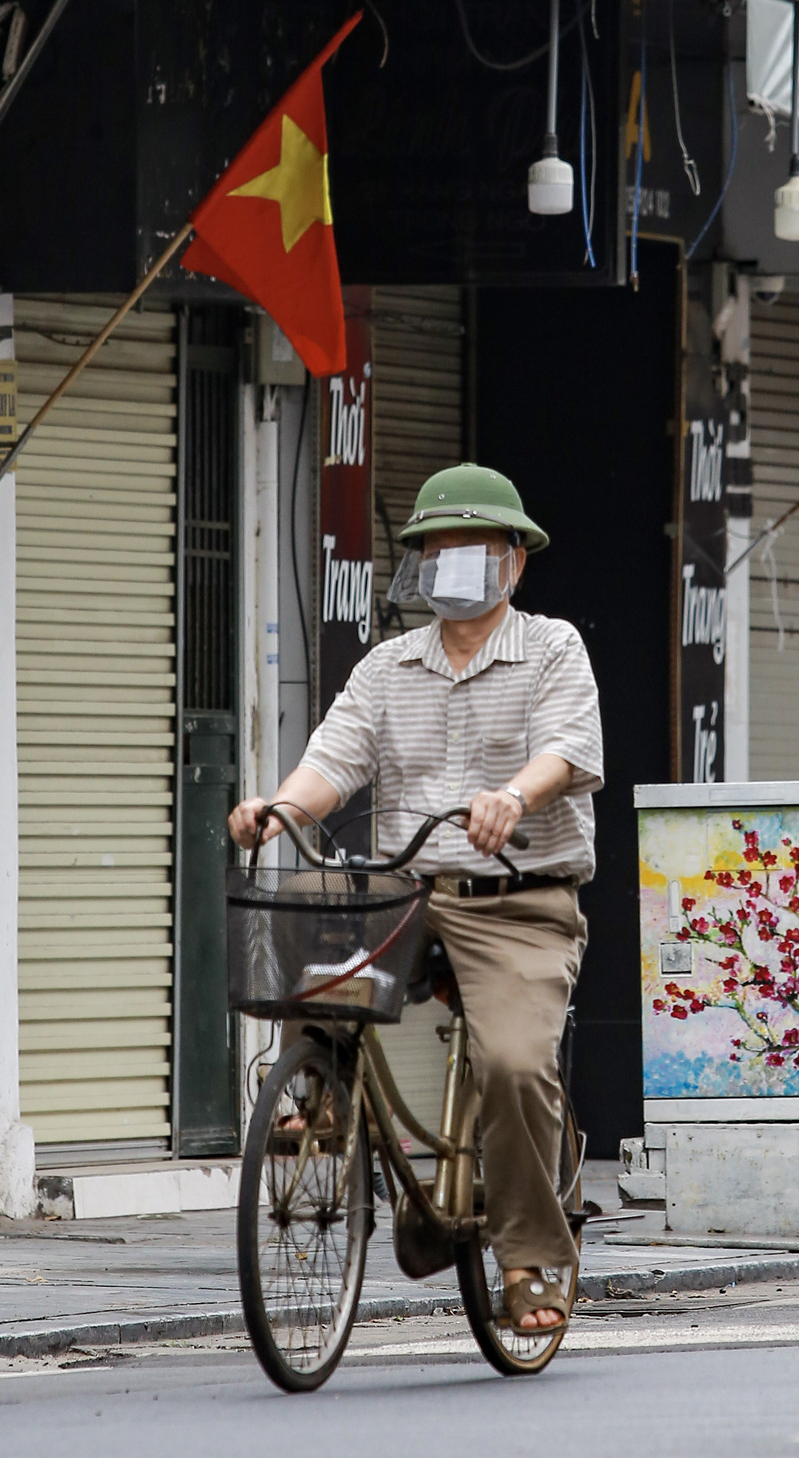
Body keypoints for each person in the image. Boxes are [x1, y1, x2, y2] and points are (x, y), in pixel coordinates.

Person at [229, 464, 602, 1333]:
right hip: (407, 893)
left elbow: (568, 751)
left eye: (473, 549)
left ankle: (532, 1260)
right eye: (438, 550)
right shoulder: (388, 667)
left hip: (521, 903)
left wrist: (513, 796)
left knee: (513, 1064)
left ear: (514, 561)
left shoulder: (552, 649)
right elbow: (332, 762)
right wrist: (276, 811)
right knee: (314, 896)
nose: (454, 564)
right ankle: (318, 1086)